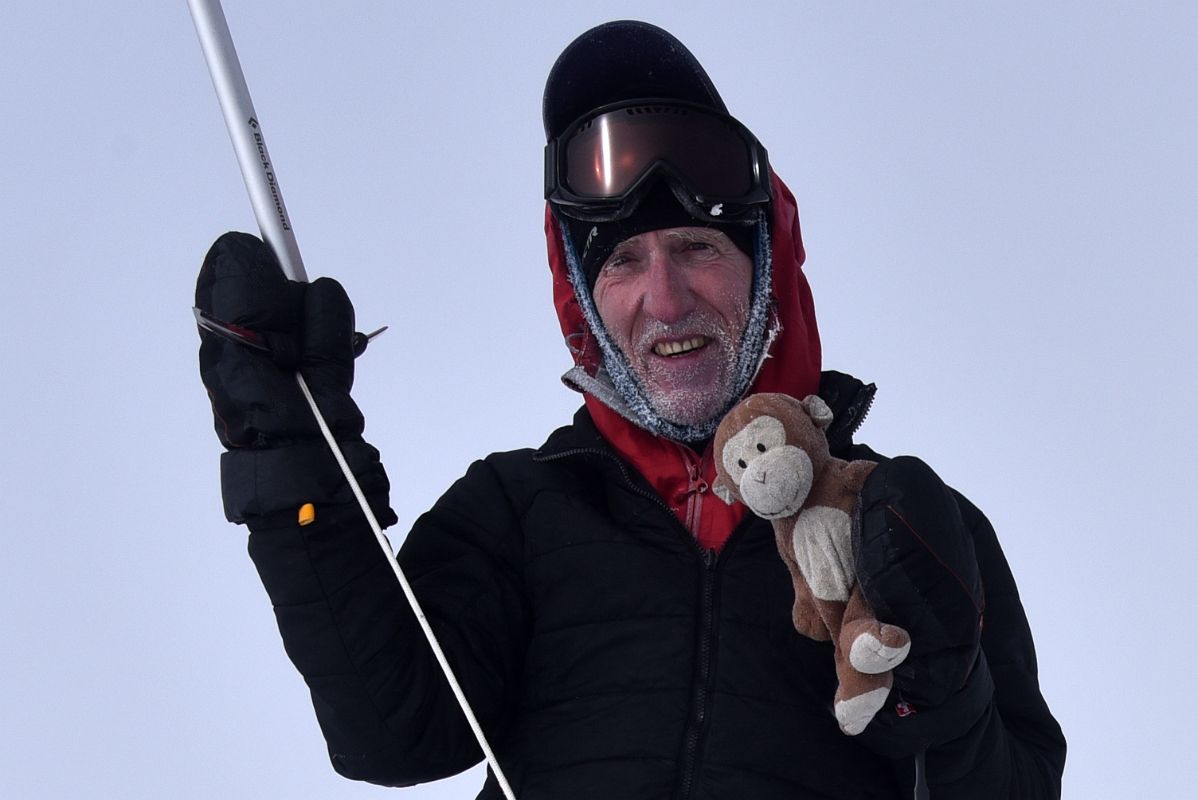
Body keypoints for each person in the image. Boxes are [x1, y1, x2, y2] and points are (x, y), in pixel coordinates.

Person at [195, 20, 1065, 799]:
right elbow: (393, 734)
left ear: (768, 269)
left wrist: (946, 696)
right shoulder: (521, 510)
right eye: (622, 263)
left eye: (696, 247)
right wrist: (294, 460)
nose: (665, 297)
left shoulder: (904, 521)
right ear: (582, 302)